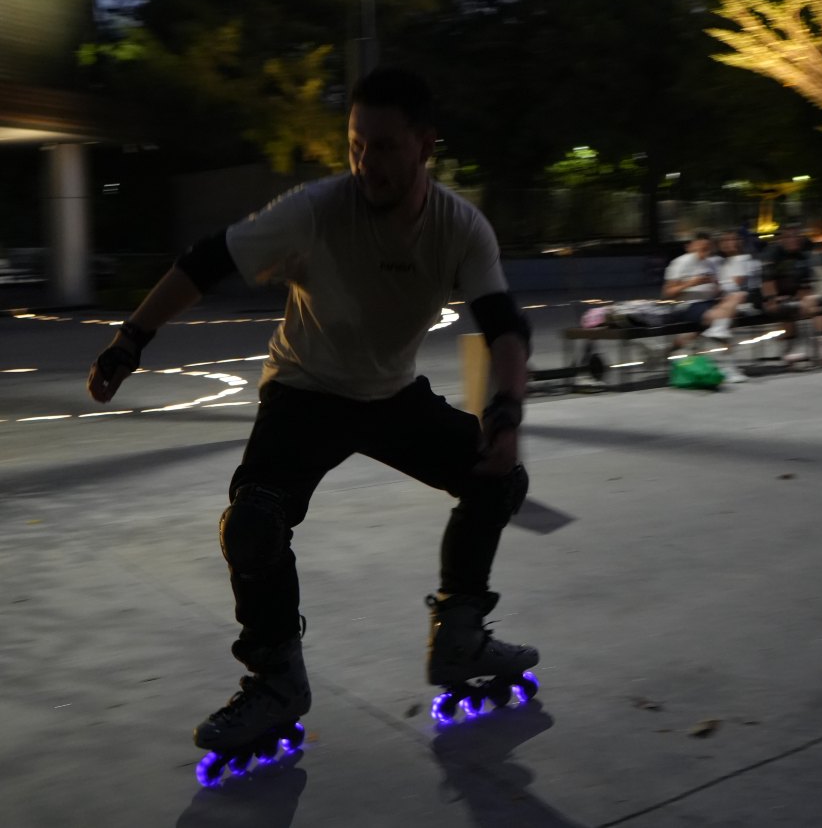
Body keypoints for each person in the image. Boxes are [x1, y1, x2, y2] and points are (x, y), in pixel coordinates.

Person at [85, 67, 539, 761]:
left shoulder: (460, 227)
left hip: (390, 395)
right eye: (357, 146)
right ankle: (275, 680)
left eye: (384, 148)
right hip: (305, 390)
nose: (367, 165)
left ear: (425, 146)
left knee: (498, 476)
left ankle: (461, 633)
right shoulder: (317, 208)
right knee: (253, 525)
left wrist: (505, 418)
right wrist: (131, 339)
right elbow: (206, 262)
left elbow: (506, 326)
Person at [760, 223, 822, 367]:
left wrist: (804, 299)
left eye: (796, 237)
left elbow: (805, 285)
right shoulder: (773, 254)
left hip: (795, 299)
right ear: (782, 238)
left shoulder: (803, 256)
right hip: (772, 300)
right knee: (788, 308)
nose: (793, 240)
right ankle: (793, 347)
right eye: (789, 237)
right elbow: (767, 281)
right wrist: (773, 299)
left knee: (819, 304)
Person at [661, 232, 746, 344]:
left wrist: (717, 286)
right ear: (693, 246)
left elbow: (719, 288)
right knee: (723, 316)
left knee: (739, 295)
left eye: (708, 248)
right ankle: (716, 330)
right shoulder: (680, 263)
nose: (705, 250)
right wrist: (691, 283)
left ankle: (716, 329)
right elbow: (667, 292)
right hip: (689, 305)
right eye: (702, 247)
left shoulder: (711, 263)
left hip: (710, 301)